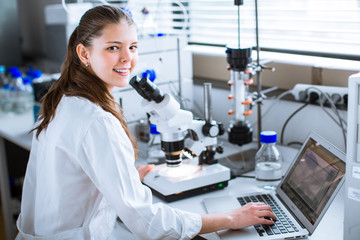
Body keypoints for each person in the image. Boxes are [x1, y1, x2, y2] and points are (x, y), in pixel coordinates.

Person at [16, 5, 276, 240]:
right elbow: (147, 223)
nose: (127, 58)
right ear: (84, 53)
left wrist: (123, 177)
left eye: (133, 47)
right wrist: (230, 218)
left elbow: (72, 181)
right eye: (113, 47)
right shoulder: (97, 121)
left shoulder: (63, 98)